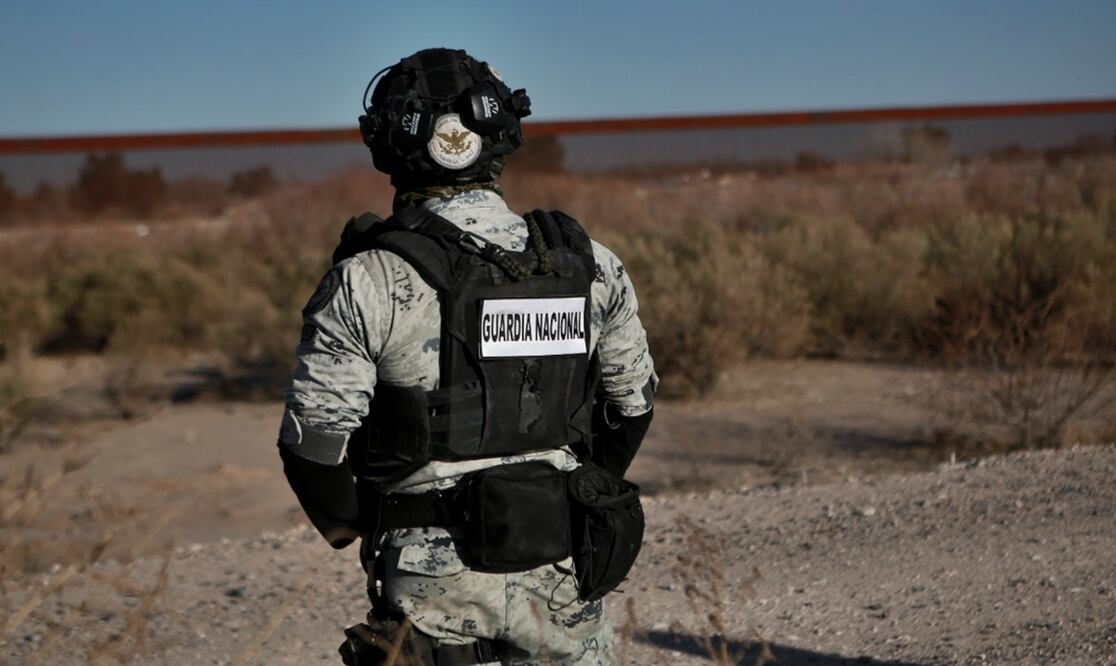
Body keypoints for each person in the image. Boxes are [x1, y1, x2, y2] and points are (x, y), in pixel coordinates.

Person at [277, 48, 656, 665]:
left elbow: (314, 445)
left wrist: (357, 526)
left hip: (429, 582)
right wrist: (582, 487)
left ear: (388, 145)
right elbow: (631, 406)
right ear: (502, 133)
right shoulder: (590, 264)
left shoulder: (367, 279)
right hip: (561, 564)